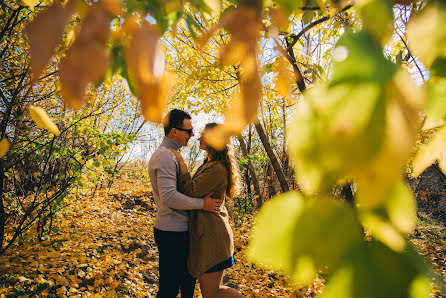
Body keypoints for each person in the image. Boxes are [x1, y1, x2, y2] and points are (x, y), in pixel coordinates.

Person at [148, 110, 221, 298]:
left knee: (187, 285)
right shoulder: (165, 156)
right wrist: (202, 204)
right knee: (169, 289)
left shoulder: (173, 155)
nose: (193, 135)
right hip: (172, 232)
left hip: (181, 231)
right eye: (189, 131)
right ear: (174, 132)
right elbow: (169, 197)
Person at [169, 123, 245, 298]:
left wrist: (181, 162)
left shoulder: (216, 168)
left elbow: (191, 190)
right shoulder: (210, 163)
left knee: (212, 293)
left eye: (203, 135)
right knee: (212, 292)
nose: (198, 138)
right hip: (208, 236)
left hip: (213, 238)